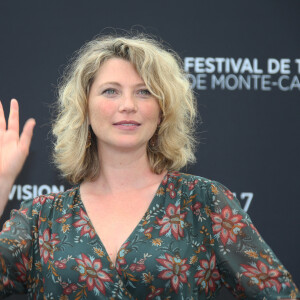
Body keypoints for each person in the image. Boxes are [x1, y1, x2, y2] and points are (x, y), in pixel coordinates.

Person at [0, 34, 298, 299]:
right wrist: (2, 181)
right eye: (110, 91)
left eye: (144, 92)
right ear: (85, 109)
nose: (128, 104)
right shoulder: (42, 217)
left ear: (162, 111)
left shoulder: (203, 202)